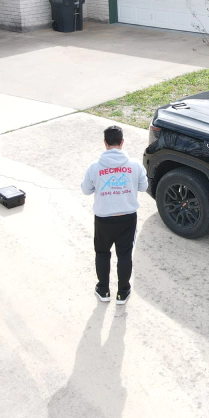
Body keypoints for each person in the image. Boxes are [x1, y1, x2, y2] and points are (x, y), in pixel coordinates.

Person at [81, 125, 148, 304]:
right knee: (124, 255)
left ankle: (103, 290)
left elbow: (86, 190)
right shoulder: (135, 165)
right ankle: (122, 293)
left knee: (102, 253)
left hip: (103, 219)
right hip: (128, 217)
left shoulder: (94, 167)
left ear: (105, 143)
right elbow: (144, 187)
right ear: (122, 142)